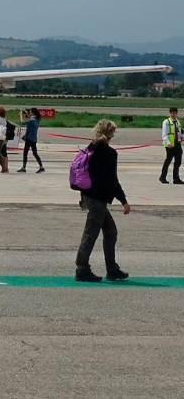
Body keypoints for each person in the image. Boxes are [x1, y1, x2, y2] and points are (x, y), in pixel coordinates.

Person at [75, 119, 131, 282]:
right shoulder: (109, 153)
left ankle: (112, 268)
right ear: (111, 133)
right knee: (91, 233)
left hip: (89, 196)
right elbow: (112, 180)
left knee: (110, 231)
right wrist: (124, 200)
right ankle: (82, 268)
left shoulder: (90, 148)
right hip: (97, 199)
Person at [159, 107, 183, 184]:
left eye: (175, 113)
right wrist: (168, 143)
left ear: (177, 113)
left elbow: (179, 133)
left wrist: (181, 137)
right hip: (170, 144)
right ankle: (162, 177)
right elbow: (164, 134)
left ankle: (176, 178)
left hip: (177, 143)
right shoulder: (166, 122)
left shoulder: (178, 122)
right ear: (170, 113)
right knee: (168, 160)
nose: (173, 114)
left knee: (178, 161)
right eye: (172, 113)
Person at [17, 108, 45, 174]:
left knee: (25, 153)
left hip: (29, 139)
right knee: (35, 153)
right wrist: (26, 114)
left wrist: (21, 115)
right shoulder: (37, 119)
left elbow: (22, 122)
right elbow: (30, 118)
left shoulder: (31, 120)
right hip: (34, 139)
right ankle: (41, 167)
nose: (29, 113)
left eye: (30, 112)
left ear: (33, 113)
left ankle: (24, 168)